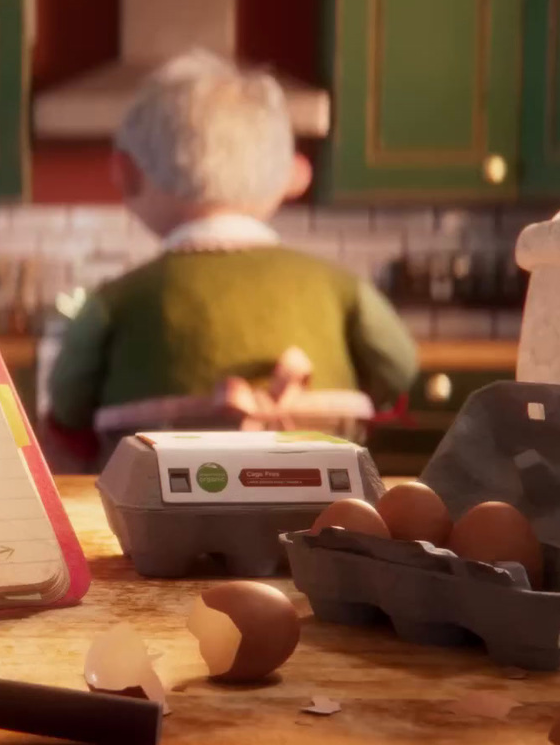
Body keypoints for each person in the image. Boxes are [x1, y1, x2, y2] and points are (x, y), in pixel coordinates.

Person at [45, 51, 418, 457]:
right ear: (293, 175)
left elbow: (67, 405)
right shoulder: (339, 286)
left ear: (127, 173)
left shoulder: (114, 301)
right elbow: (399, 368)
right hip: (320, 501)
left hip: (159, 509)